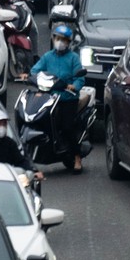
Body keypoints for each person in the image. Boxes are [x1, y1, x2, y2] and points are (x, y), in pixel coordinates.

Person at [30, 23, 91, 172]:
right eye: (58, 38)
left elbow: (80, 78)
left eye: (64, 39)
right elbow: (35, 70)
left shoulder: (73, 58)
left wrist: (73, 86)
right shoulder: (47, 57)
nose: (60, 42)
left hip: (67, 99)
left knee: (67, 127)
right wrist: (31, 77)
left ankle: (77, 157)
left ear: (69, 42)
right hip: (50, 98)